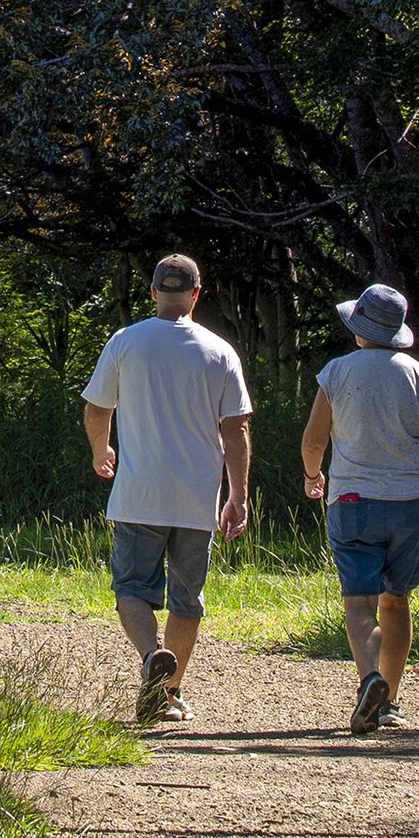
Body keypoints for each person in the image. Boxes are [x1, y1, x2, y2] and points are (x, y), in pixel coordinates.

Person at [81, 252, 254, 723]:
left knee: (131, 590)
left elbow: (98, 410)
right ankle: (171, 692)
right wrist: (238, 494)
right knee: (186, 599)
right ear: (197, 293)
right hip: (198, 499)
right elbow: (236, 429)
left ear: (154, 291)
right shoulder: (220, 351)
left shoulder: (126, 342)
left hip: (140, 493)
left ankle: (148, 657)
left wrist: (101, 451)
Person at [298, 280, 419, 735]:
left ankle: (368, 678)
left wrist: (314, 477)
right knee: (396, 600)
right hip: (413, 503)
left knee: (359, 600)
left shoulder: (336, 372)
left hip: (352, 499)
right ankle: (389, 697)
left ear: (359, 329)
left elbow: (314, 440)